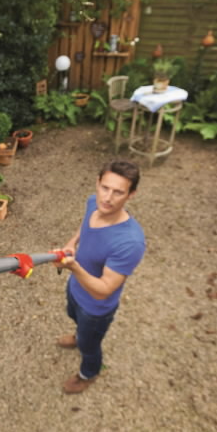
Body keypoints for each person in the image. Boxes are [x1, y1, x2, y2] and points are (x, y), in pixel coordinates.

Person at [56, 159, 146, 394]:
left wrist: (74, 267)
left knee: (90, 346)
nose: (107, 198)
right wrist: (72, 242)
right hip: (75, 288)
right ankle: (79, 335)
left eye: (118, 192)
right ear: (97, 183)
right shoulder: (93, 203)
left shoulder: (130, 242)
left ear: (131, 195)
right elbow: (85, 225)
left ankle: (88, 373)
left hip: (95, 309)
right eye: (105, 188)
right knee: (73, 315)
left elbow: (104, 290)